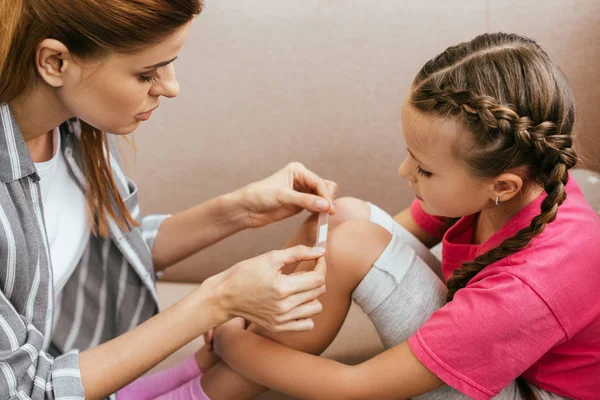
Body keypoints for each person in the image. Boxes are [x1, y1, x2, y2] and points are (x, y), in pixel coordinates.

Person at [157, 33, 597, 399]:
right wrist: (242, 310)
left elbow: (355, 387)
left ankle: (202, 385)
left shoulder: (526, 289)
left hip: (527, 389)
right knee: (344, 219)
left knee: (348, 246)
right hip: (498, 343)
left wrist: (237, 340)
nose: (404, 173)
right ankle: (207, 362)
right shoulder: (531, 176)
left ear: (501, 187)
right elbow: (380, 239)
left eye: (424, 169)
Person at [0, 1, 338, 399]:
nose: (171, 87)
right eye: (147, 73)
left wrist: (239, 210)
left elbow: (113, 248)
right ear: (55, 62)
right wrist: (218, 300)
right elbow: (23, 389)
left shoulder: (71, 126)